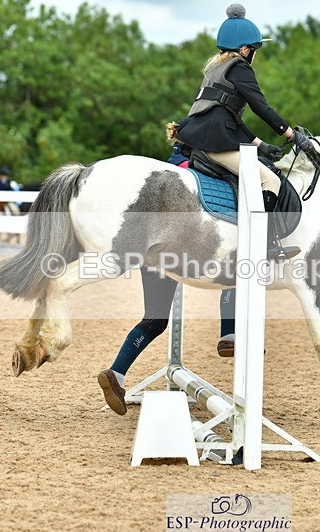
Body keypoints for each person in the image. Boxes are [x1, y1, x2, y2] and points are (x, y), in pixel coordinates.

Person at [97, 122, 239, 416]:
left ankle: (116, 374)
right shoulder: (197, 169)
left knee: (155, 319)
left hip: (152, 250)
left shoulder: (172, 166)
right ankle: (229, 333)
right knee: (235, 268)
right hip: (178, 246)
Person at [175, 3, 312, 260]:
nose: (254, 55)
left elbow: (228, 117)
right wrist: (291, 135)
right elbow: (261, 107)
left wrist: (261, 145)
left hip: (203, 137)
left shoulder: (216, 68)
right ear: (245, 50)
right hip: (215, 143)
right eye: (254, 50)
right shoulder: (240, 67)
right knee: (270, 181)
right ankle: (264, 243)